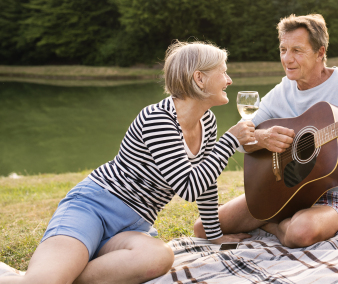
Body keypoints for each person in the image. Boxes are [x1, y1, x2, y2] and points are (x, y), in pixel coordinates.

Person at [0, 41, 253, 284]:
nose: (229, 80)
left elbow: (204, 181)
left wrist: (214, 233)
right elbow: (188, 188)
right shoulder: (158, 119)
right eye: (224, 72)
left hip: (135, 225)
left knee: (158, 257)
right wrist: (229, 141)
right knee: (45, 281)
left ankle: (67, 274)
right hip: (93, 208)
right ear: (200, 78)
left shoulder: (206, 121)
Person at [193, 14, 338, 248]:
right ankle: (278, 219)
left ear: (320, 52)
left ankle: (273, 226)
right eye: (283, 49)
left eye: (297, 50)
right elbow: (241, 138)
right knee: (203, 228)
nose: (287, 59)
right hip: (285, 191)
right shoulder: (282, 90)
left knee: (300, 233)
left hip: (335, 196)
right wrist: (261, 137)